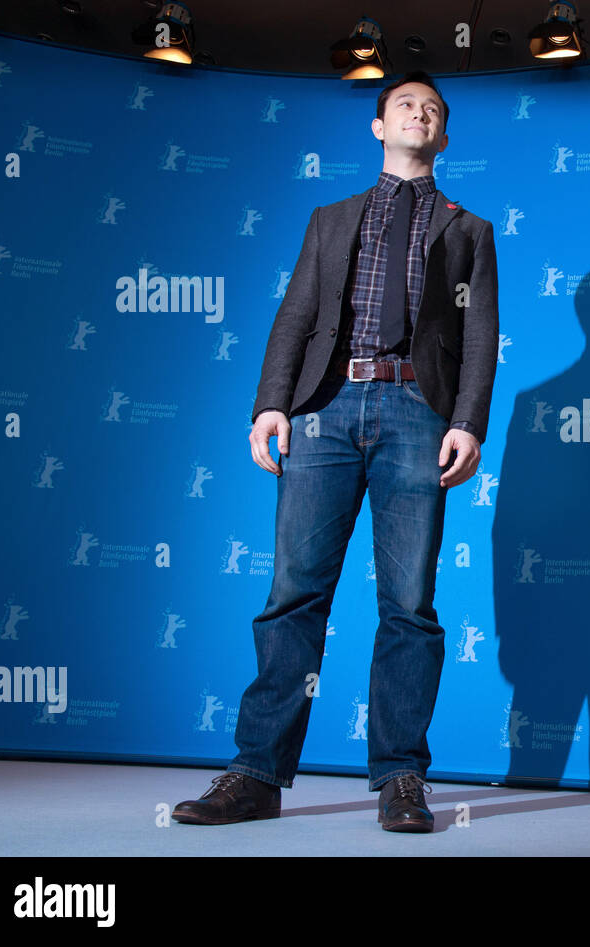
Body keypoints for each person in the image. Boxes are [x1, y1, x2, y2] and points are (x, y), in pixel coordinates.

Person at [173, 71, 498, 833]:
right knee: (293, 593)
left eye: (434, 109)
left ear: (443, 137)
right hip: (324, 410)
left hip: (420, 410)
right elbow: (294, 317)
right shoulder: (330, 218)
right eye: (406, 105)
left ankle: (402, 778)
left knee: (409, 604)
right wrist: (269, 405)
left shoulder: (470, 229)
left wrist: (469, 420)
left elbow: (480, 335)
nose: (421, 112)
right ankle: (255, 773)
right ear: (378, 128)